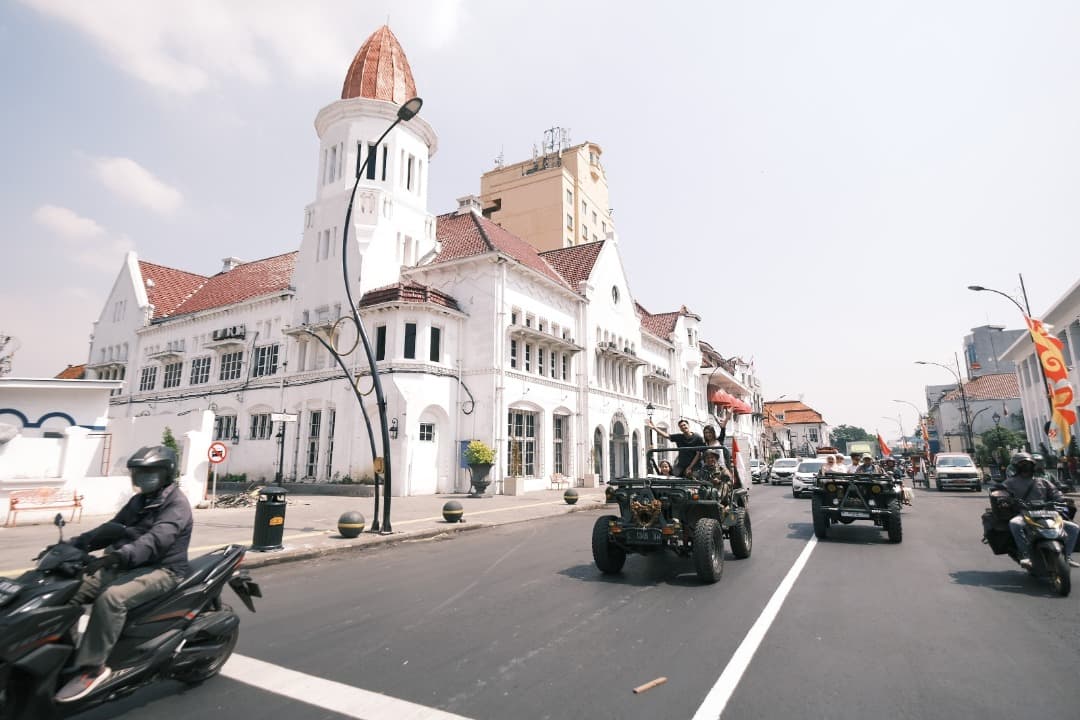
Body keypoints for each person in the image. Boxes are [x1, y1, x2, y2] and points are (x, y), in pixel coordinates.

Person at [55, 445, 193, 703]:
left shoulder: (177, 504)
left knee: (112, 598)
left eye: (150, 472)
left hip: (162, 569)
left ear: (167, 473)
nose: (143, 477)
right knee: (70, 587)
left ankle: (92, 667)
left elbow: (157, 540)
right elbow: (112, 528)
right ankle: (62, 652)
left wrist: (119, 555)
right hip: (128, 563)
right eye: (139, 472)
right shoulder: (139, 500)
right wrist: (75, 544)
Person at [1003, 452, 1079, 570]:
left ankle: (1067, 556)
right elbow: (1002, 495)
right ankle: (1025, 555)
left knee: (1074, 528)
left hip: (1048, 514)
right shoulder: (1009, 482)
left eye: (1028, 464)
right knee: (1014, 524)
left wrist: (1061, 500)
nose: (1026, 466)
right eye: (1023, 464)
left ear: (1033, 465)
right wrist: (1005, 500)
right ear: (1016, 466)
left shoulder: (1043, 481)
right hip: (1024, 514)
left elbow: (1056, 493)